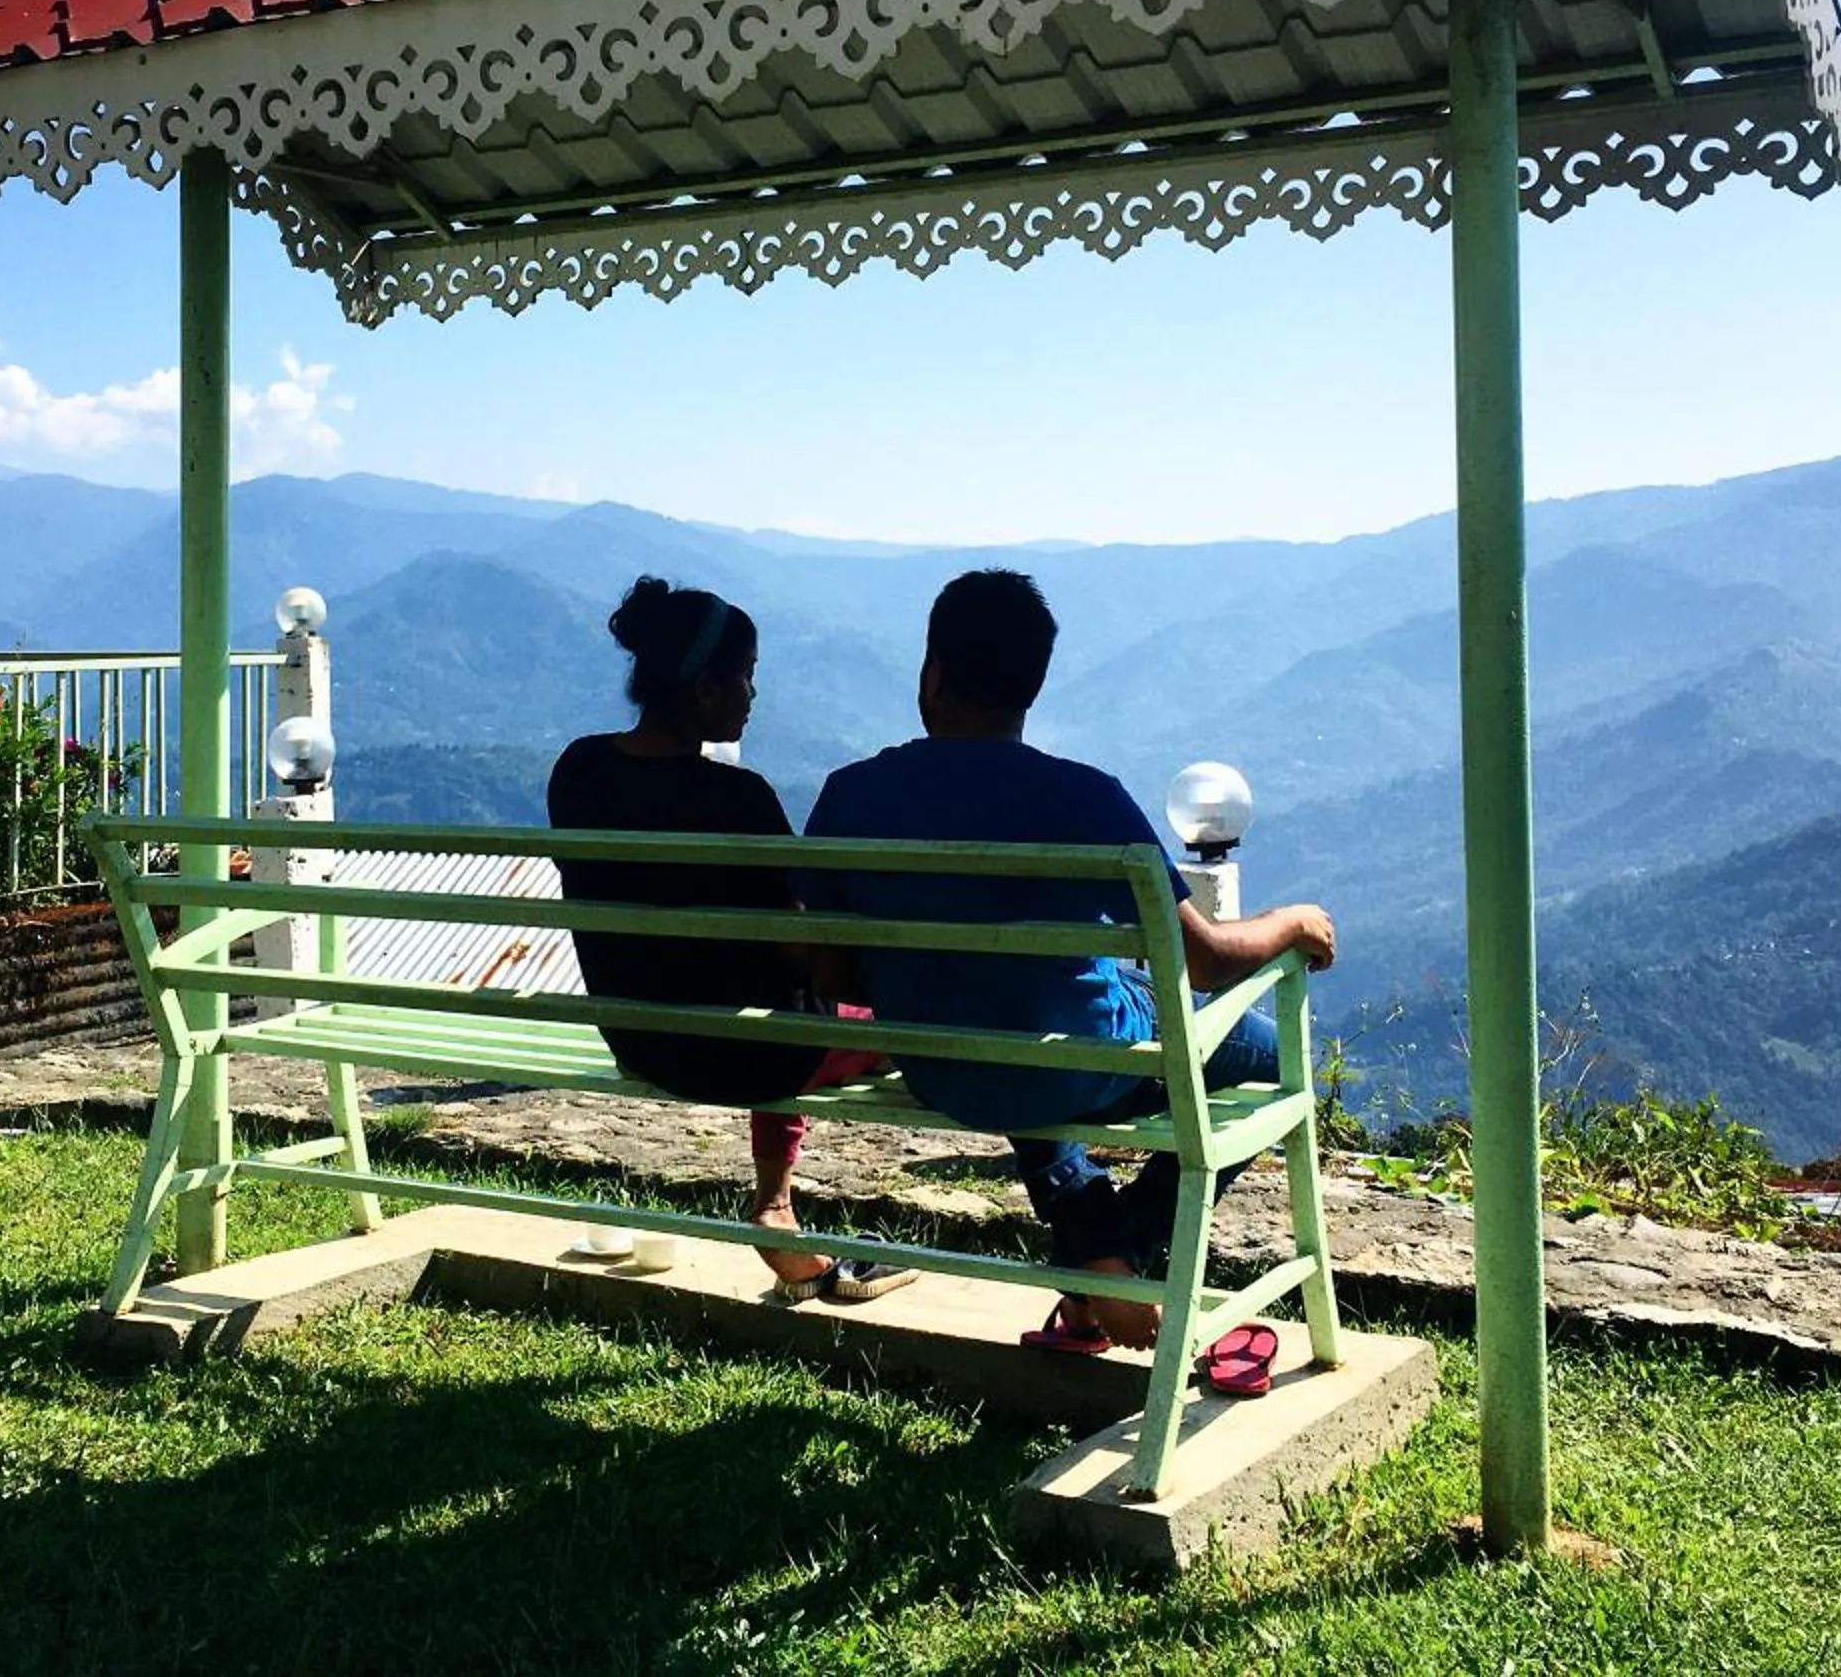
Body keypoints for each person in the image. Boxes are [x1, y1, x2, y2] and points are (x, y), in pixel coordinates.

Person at [801, 568, 1334, 1351]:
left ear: (932, 672)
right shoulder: (1084, 797)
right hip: (1072, 1059)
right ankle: (1129, 1243)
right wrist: (1292, 922)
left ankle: (1091, 1237)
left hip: (941, 1065)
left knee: (1008, 1007)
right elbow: (1210, 960)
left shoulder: (851, 794)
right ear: (1032, 686)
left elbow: (833, 973)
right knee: (1275, 1052)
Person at [548, 576, 911, 1301]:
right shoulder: (739, 798)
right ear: (707, 688)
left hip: (641, 1035)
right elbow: (801, 949)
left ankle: (782, 1213)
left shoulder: (579, 769)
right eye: (746, 677)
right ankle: (774, 1204)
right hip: (750, 1058)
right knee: (876, 1013)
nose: (752, 695)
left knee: (770, 1004)